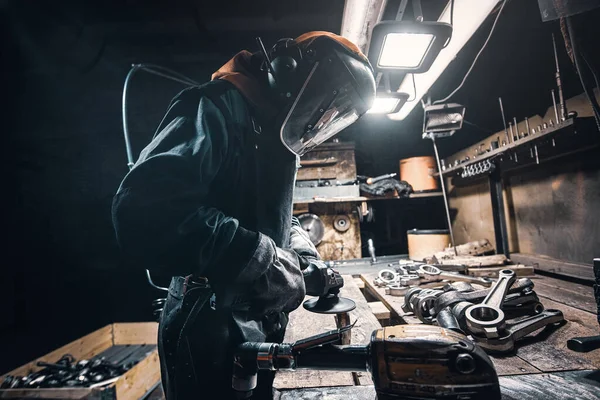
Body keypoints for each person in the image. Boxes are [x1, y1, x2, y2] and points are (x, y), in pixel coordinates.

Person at [112, 31, 375, 399]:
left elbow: (269, 215)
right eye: (322, 104)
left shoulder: (275, 132)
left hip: (255, 319)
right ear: (287, 71)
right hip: (207, 325)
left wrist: (299, 251)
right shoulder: (214, 108)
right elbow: (146, 212)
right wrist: (266, 263)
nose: (320, 119)